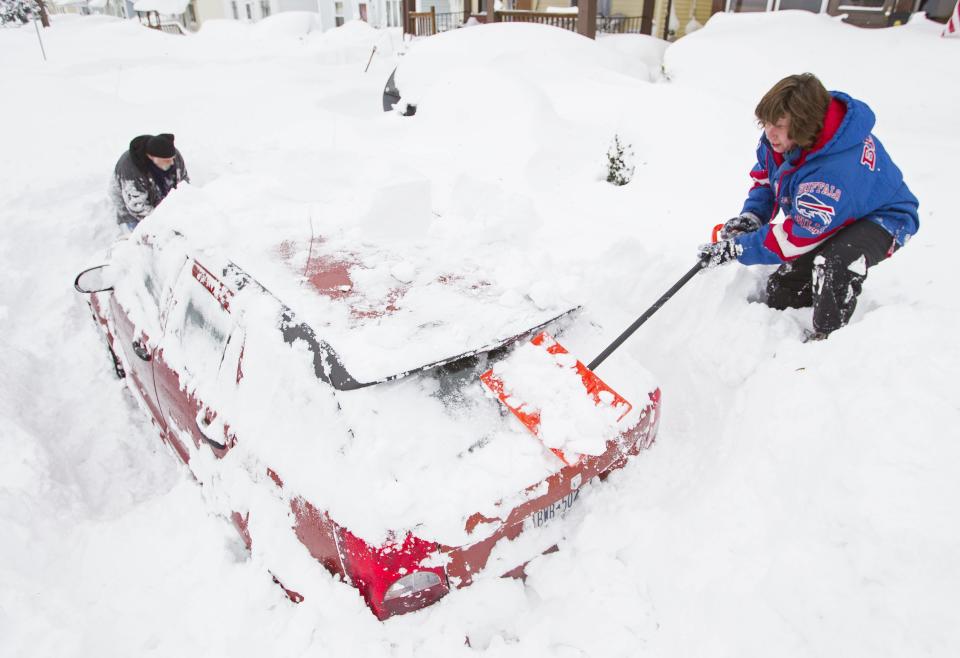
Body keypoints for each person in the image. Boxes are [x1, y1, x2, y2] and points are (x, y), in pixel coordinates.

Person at [698, 73, 919, 340]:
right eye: (766, 122)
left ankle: (827, 342)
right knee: (783, 292)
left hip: (883, 218)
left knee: (835, 264)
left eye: (778, 125)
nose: (769, 133)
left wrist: (736, 249)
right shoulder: (782, 140)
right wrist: (754, 215)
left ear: (804, 124)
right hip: (834, 214)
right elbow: (768, 178)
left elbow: (793, 238)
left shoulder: (830, 174)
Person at [111, 133, 189, 231]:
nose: (172, 163)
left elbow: (184, 184)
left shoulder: (172, 155)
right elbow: (137, 207)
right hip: (132, 209)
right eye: (167, 160)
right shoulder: (130, 168)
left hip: (159, 194)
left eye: (172, 159)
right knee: (143, 236)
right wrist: (165, 222)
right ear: (151, 157)